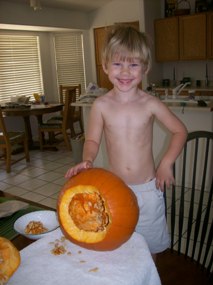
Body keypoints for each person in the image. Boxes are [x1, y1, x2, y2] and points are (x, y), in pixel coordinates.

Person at [65, 25, 188, 259]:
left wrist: (166, 163)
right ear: (105, 66)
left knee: (150, 249)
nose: (125, 72)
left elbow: (180, 131)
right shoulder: (101, 105)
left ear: (145, 68)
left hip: (147, 190)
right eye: (118, 63)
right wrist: (87, 159)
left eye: (133, 64)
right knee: (119, 245)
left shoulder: (150, 103)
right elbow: (91, 139)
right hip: (116, 191)